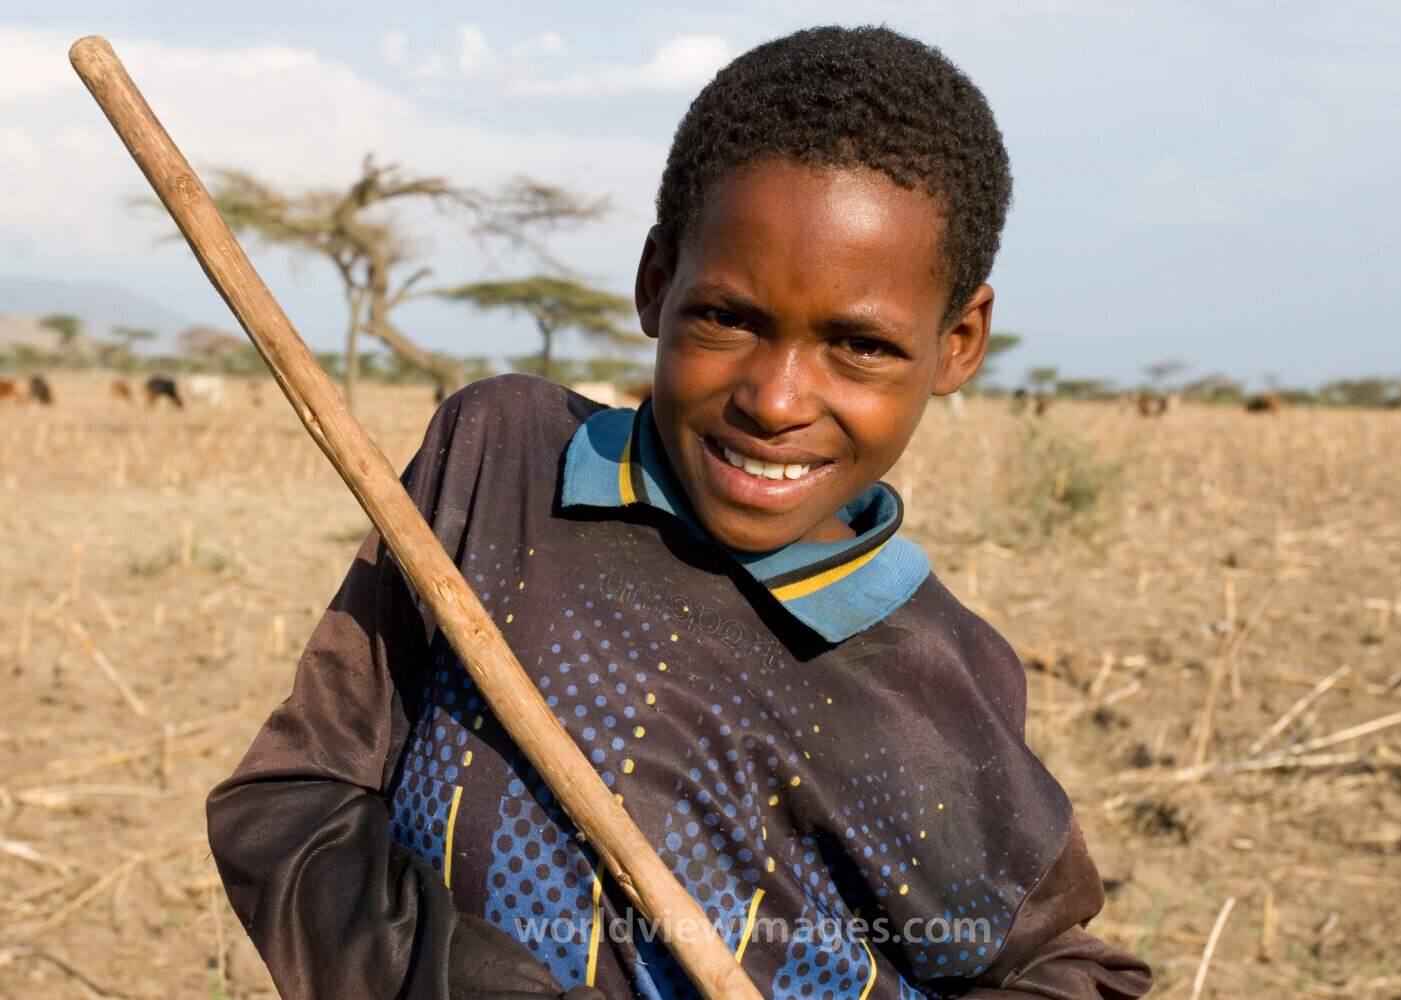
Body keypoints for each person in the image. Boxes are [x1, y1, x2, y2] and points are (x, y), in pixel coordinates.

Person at [207, 25, 1152, 1000]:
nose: (777, 400)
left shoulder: (926, 676)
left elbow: (1068, 971)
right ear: (657, 283)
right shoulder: (499, 465)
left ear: (957, 343)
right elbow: (291, 801)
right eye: (729, 318)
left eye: (859, 345)